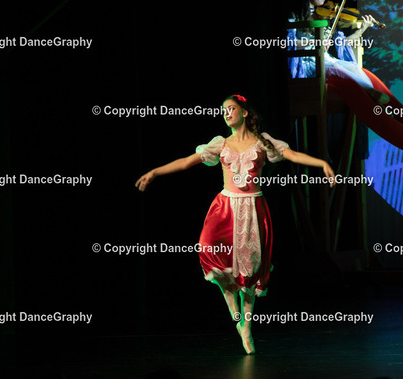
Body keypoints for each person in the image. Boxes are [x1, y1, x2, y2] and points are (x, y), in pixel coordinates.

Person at [135, 94, 335, 355]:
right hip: (225, 208)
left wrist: (322, 163)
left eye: (231, 109)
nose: (226, 113)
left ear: (244, 112)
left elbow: (293, 155)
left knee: (249, 270)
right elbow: (185, 162)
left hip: (253, 208)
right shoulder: (220, 144)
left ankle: (247, 328)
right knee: (210, 253)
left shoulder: (263, 142)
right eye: (224, 110)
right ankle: (235, 314)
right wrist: (154, 172)